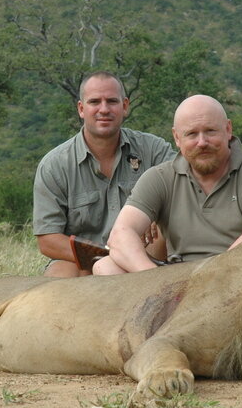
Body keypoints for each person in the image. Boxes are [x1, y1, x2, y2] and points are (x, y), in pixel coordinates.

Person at [93, 94, 242, 275]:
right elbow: (120, 235)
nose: (202, 142)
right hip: (176, 279)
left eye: (210, 131)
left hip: (238, 273)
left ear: (228, 129)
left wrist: (210, 277)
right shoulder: (160, 177)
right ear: (177, 138)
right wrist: (153, 278)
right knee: (106, 267)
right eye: (192, 134)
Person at [33, 71, 176, 277]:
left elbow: (185, 189)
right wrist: (106, 256)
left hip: (144, 255)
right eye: (94, 102)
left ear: (124, 106)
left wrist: (158, 214)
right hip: (82, 262)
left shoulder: (154, 150)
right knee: (58, 278)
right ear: (81, 109)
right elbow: (48, 240)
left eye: (111, 101)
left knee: (162, 232)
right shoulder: (54, 165)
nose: (104, 109)